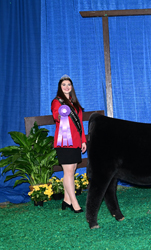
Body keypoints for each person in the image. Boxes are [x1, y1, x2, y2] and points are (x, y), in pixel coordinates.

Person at [51, 74, 87, 213]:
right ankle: (74, 203)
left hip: (76, 140)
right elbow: (56, 116)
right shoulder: (57, 102)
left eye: (69, 85)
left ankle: (66, 199)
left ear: (71, 87)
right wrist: (61, 114)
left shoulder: (75, 103)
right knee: (68, 171)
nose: (67, 87)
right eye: (64, 85)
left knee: (72, 170)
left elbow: (80, 125)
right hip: (64, 141)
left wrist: (83, 140)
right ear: (60, 87)